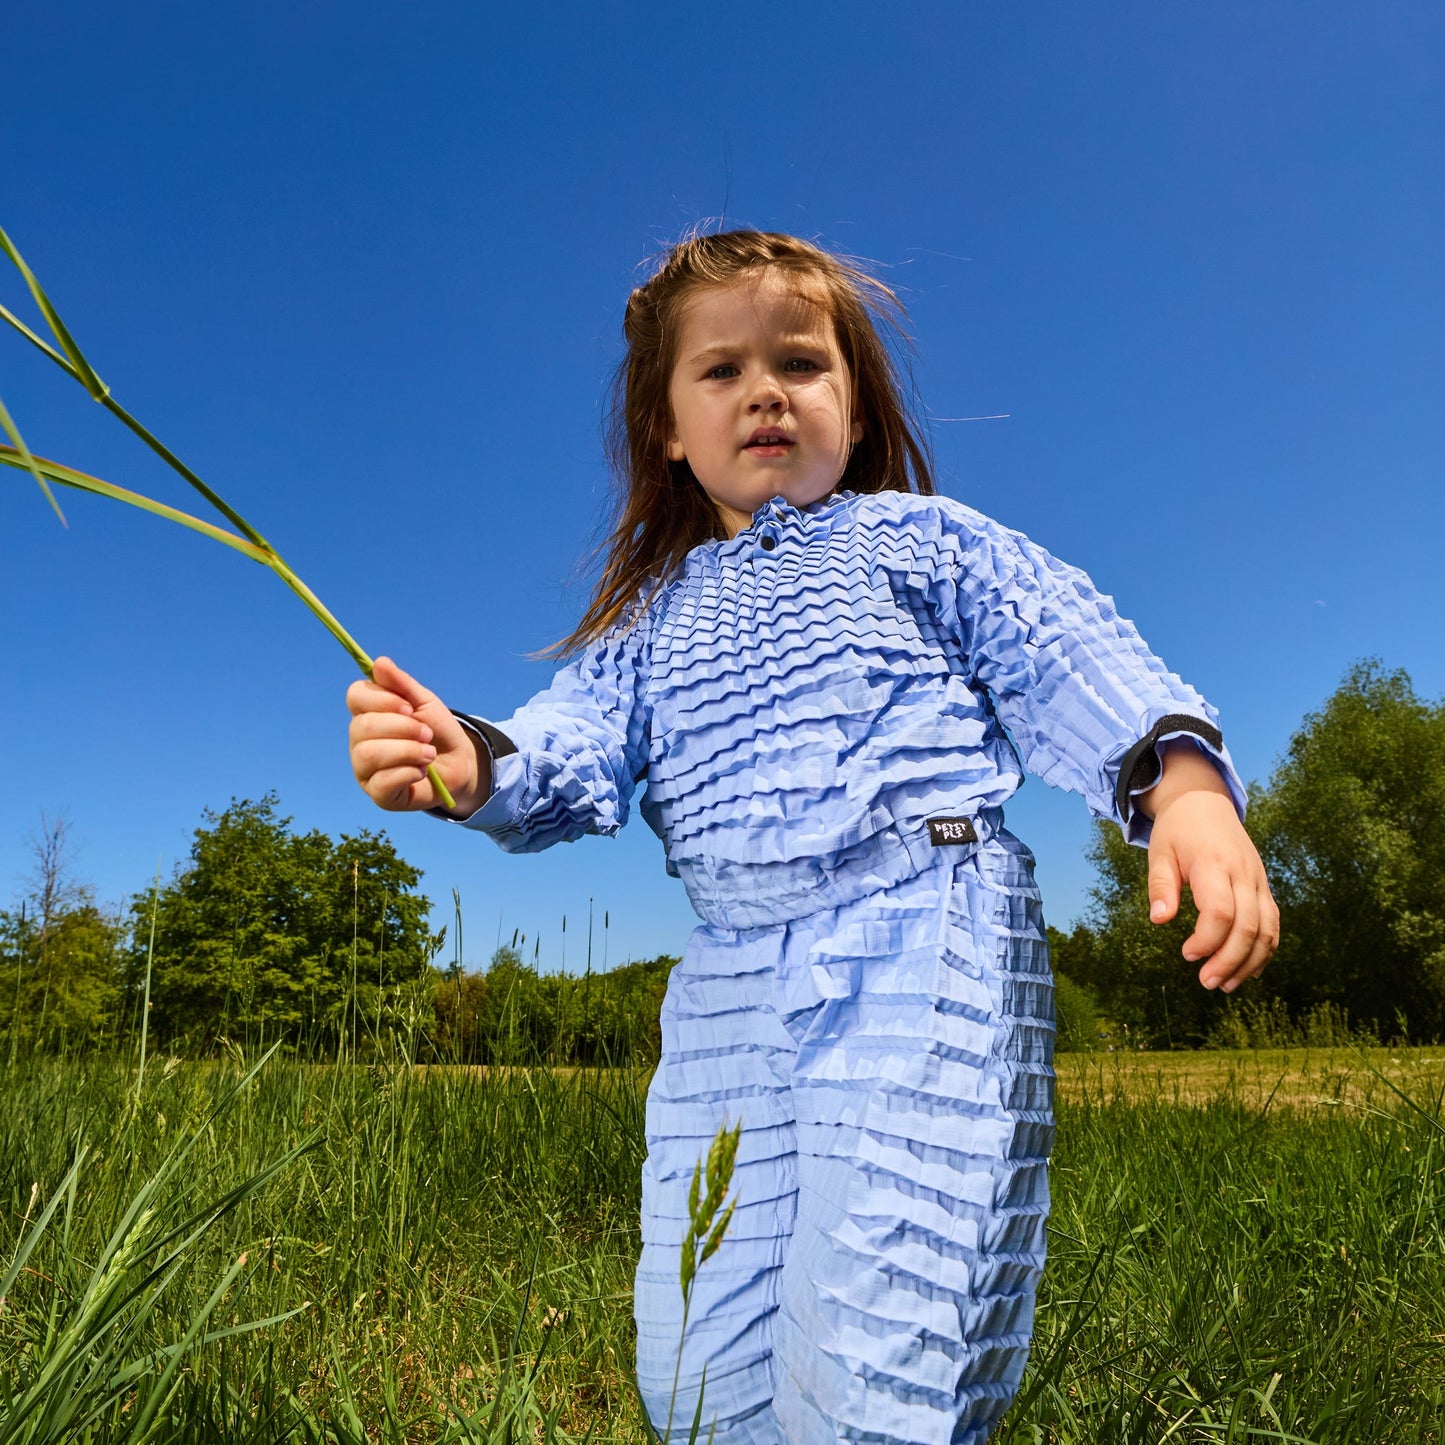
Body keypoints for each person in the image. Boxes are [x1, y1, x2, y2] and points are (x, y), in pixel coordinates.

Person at [346, 230, 1278, 1444]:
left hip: (922, 932)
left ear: (856, 401)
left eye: (799, 362)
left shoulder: (920, 540)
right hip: (728, 978)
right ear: (666, 429)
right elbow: (571, 740)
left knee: (881, 1328)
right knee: (694, 1359)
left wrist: (1183, 785)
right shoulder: (649, 621)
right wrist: (471, 762)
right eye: (720, 370)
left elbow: (1057, 640)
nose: (765, 392)